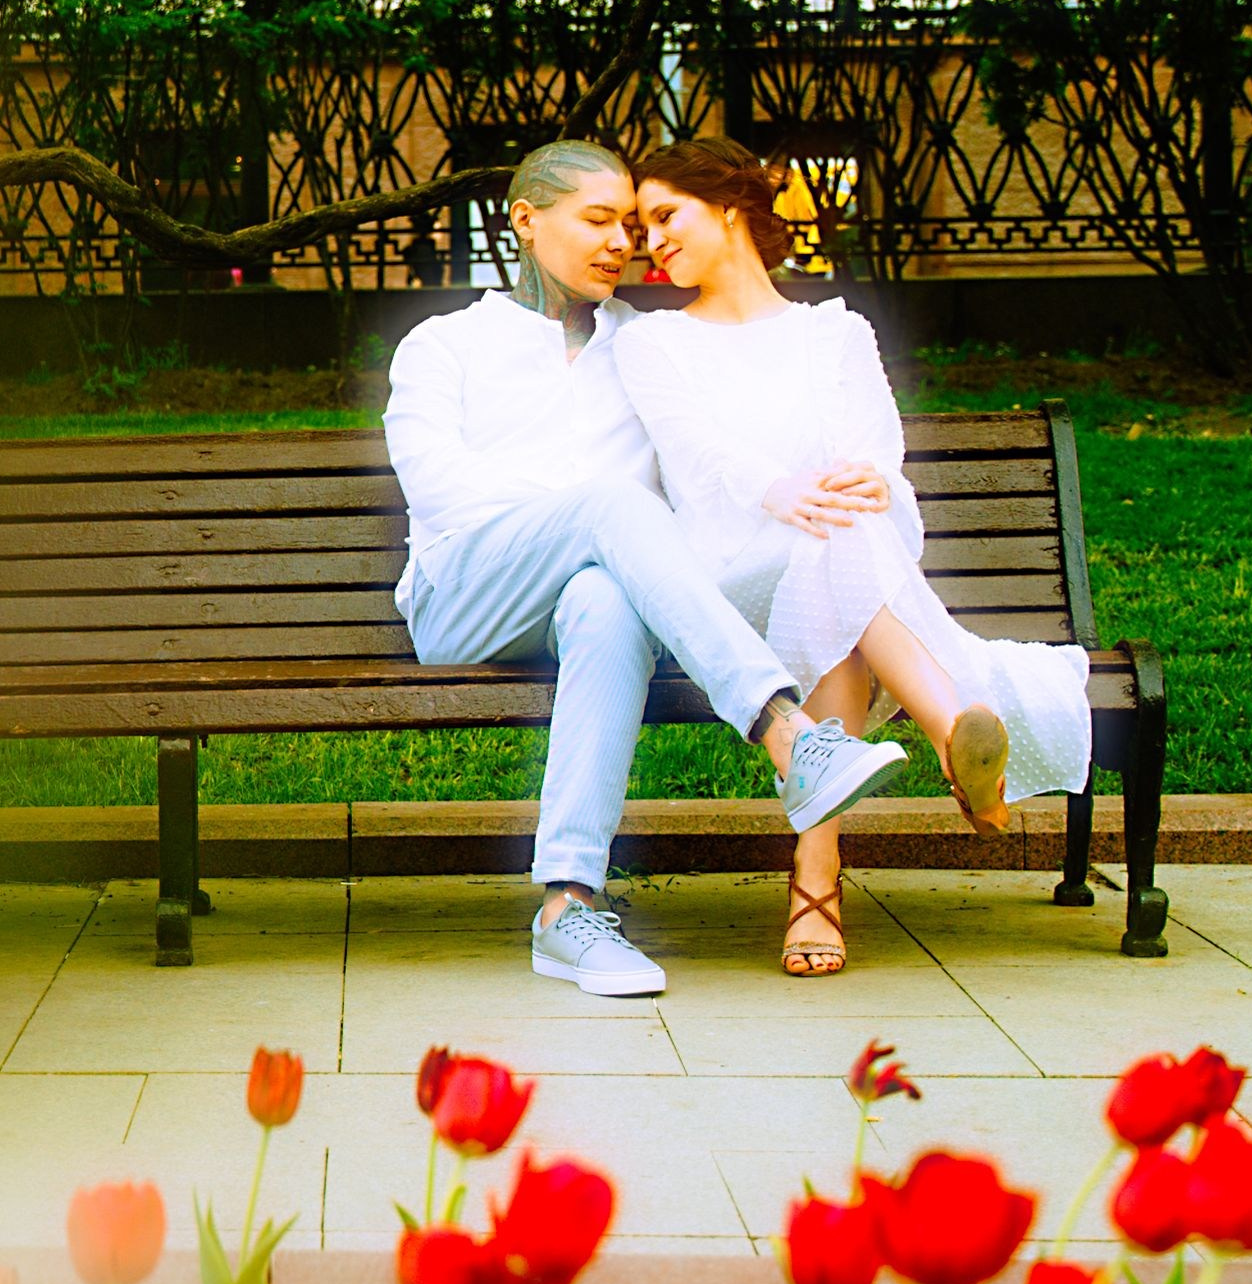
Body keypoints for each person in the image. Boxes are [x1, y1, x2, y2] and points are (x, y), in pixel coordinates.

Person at [383, 140, 907, 998]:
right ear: (526, 219)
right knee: (614, 507)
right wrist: (586, 508)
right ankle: (786, 735)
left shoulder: (643, 344)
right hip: (465, 596)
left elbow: (711, 462)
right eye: (597, 220)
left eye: (629, 225)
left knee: (605, 596)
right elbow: (443, 490)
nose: (620, 243)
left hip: (594, 594)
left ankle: (566, 907)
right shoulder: (446, 344)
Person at [615, 138, 1092, 978]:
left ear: (728, 207)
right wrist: (782, 492)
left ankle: (818, 879)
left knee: (834, 552)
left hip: (834, 555)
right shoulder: (654, 343)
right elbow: (694, 456)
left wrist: (844, 490)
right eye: (640, 226)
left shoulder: (835, 332)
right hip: (726, 572)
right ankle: (955, 740)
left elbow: (876, 456)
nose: (651, 241)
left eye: (664, 216)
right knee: (831, 547)